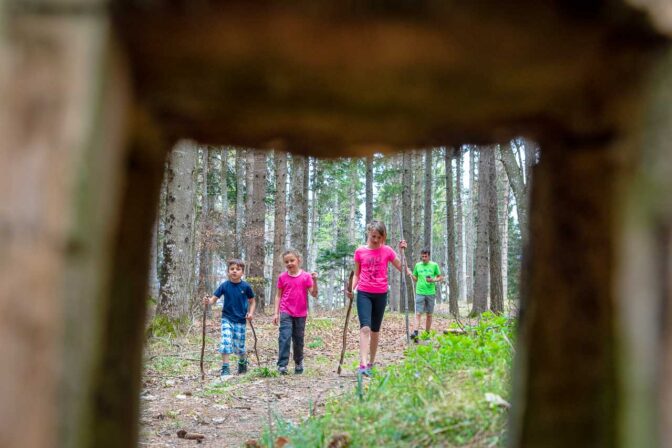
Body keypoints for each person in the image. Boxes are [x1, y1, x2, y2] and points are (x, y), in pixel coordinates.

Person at [347, 220, 407, 377]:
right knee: (365, 327)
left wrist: (402, 252)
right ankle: (363, 364)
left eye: (379, 237)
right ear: (368, 233)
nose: (375, 240)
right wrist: (351, 289)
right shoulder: (360, 251)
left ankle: (371, 362)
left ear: (383, 236)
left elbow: (402, 268)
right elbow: (357, 274)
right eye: (373, 236)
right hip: (364, 293)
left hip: (381, 294)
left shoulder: (387, 250)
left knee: (375, 330)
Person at [202, 259, 256, 380]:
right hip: (227, 318)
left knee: (239, 346)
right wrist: (208, 301)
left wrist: (250, 313)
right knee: (225, 341)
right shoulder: (224, 286)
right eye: (232, 269)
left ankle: (242, 362)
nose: (234, 271)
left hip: (241, 320)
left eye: (238, 269)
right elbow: (213, 300)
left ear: (242, 272)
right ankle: (225, 367)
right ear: (228, 272)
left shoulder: (246, 286)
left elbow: (252, 302)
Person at [273, 249, 318, 375]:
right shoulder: (282, 277)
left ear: (298, 260)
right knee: (284, 337)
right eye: (286, 262)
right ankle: (282, 365)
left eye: (292, 260)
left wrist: (315, 281)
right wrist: (276, 313)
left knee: (298, 339)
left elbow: (314, 294)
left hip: (300, 313)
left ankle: (298, 362)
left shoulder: (306, 276)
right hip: (285, 311)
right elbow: (278, 295)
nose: (289, 263)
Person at [409, 249, 443, 341]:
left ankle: (427, 334)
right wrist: (411, 274)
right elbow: (415, 279)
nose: (423, 258)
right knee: (418, 313)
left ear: (429, 256)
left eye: (425, 256)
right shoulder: (418, 265)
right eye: (422, 256)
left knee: (429, 315)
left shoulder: (434, 265)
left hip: (430, 293)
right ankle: (415, 333)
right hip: (420, 292)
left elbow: (440, 277)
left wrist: (433, 280)